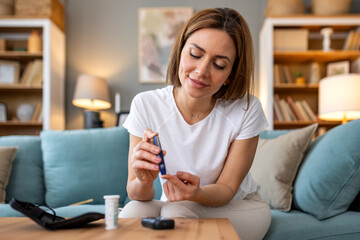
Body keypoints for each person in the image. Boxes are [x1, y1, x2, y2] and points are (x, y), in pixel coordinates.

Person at [119, 7, 271, 240]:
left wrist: (196, 193)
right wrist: (143, 179)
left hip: (239, 206)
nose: (201, 72)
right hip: (175, 205)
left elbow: (227, 189)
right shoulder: (146, 104)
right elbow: (137, 194)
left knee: (177, 210)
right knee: (132, 211)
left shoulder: (246, 108)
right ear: (180, 51)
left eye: (219, 65)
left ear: (230, 74)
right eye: (195, 54)